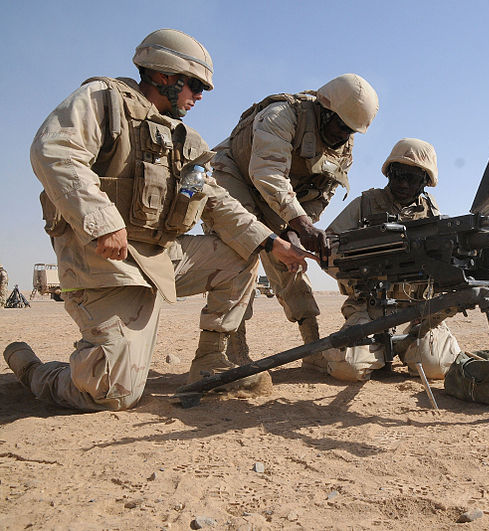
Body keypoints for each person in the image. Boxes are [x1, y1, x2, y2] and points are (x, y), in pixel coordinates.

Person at [3, 29, 313, 412]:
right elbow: (54, 149)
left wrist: (271, 243)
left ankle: (210, 361)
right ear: (166, 76)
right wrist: (102, 220)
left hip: (160, 257)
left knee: (241, 252)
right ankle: (33, 369)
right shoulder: (105, 100)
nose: (199, 96)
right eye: (195, 85)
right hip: (105, 262)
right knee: (113, 392)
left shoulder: (185, 140)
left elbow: (216, 200)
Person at [209, 73, 379, 367]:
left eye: (351, 131)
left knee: (292, 261)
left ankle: (311, 349)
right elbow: (267, 174)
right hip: (237, 176)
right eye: (341, 125)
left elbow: (321, 192)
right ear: (326, 110)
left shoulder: (344, 148)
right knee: (240, 253)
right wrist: (300, 222)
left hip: (283, 198)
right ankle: (236, 351)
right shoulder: (282, 115)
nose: (344, 135)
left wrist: (299, 229)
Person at [320, 138, 461, 381]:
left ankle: (405, 348)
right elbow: (327, 246)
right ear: (389, 174)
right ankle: (331, 353)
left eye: (412, 177)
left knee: (436, 367)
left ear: (426, 181)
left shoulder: (432, 213)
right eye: (397, 175)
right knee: (348, 369)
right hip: (370, 310)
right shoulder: (366, 204)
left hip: (417, 313)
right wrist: (363, 266)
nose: (403, 183)